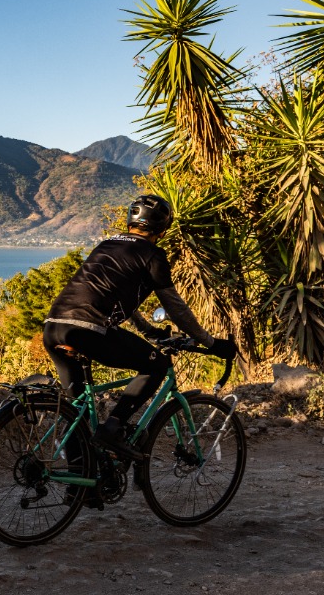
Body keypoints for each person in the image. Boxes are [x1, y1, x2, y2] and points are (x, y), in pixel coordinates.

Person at [42, 194, 237, 462]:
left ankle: (80, 486)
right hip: (88, 330)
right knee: (155, 365)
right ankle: (114, 428)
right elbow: (176, 308)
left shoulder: (107, 245)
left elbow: (110, 292)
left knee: (78, 414)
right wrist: (211, 343)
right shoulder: (153, 255)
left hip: (54, 327)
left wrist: (146, 329)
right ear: (162, 228)